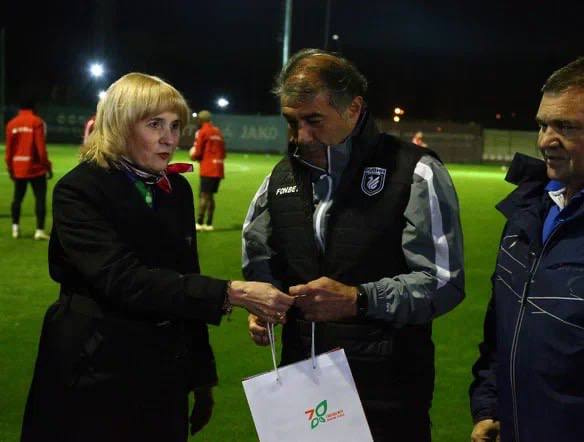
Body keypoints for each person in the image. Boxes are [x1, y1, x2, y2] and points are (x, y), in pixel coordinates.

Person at [21, 73, 294, 442]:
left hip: (164, 372)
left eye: (175, 125)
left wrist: (200, 376)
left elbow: (185, 275)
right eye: (154, 124)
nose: (170, 138)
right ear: (120, 124)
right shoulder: (79, 189)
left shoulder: (175, 188)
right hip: (93, 372)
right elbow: (123, 279)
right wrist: (233, 292)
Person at [242, 49, 465, 441]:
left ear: (354, 108)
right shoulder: (279, 178)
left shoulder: (415, 171)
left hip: (386, 391)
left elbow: (444, 282)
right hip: (302, 387)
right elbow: (262, 261)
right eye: (291, 122)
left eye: (314, 120)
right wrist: (264, 304)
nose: (300, 136)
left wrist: (359, 299)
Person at [470, 57, 584, 442]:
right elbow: (502, 330)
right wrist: (490, 406)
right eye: (542, 125)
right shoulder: (527, 213)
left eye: (565, 126)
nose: (545, 140)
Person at [5, 101, 52, 240]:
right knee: (40, 198)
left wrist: (10, 169)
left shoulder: (12, 124)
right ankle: (39, 231)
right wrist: (47, 167)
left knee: (17, 198)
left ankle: (15, 229)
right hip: (36, 169)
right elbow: (41, 149)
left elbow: (9, 151)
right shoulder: (37, 122)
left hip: (18, 168)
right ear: (34, 108)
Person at [189, 110, 226, 231]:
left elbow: (198, 152)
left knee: (204, 195)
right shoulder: (218, 131)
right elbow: (223, 153)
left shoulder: (202, 131)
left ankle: (199, 223)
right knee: (210, 196)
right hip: (219, 168)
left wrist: (193, 156)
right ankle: (209, 223)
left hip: (208, 168)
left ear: (200, 120)